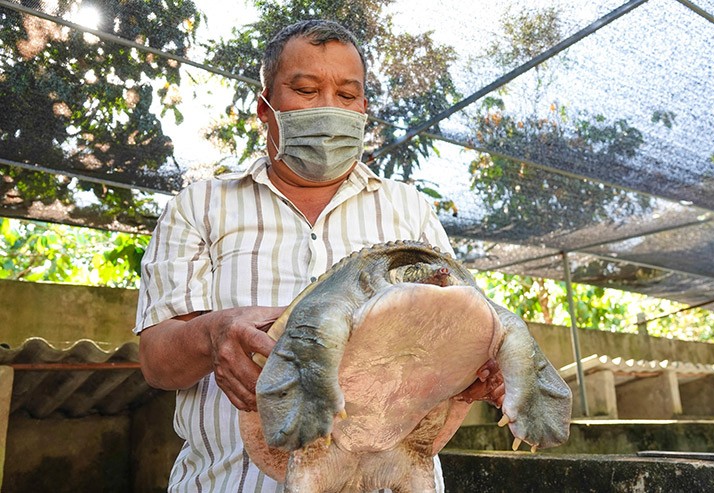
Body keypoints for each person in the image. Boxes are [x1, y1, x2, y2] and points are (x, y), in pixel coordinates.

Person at [135, 19, 466, 492]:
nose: (330, 107)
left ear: (365, 108)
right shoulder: (200, 207)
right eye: (306, 89)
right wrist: (212, 334)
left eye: (348, 95)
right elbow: (156, 362)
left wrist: (475, 363)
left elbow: (457, 329)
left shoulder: (408, 209)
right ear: (265, 107)